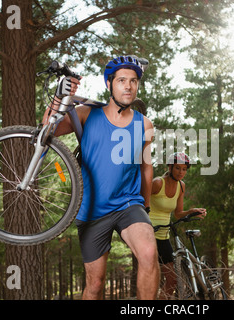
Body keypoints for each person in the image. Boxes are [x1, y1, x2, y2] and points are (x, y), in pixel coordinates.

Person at [43, 55, 159, 300]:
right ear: (109, 84)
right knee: (95, 285)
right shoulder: (86, 113)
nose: (128, 86)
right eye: (121, 80)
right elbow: (47, 129)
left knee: (149, 253)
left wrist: (145, 205)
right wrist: (57, 97)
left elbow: (146, 167)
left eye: (133, 81)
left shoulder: (144, 124)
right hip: (91, 210)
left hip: (128, 203)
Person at [149, 152, 207, 299]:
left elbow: (178, 213)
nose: (181, 172)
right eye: (177, 168)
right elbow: (139, 201)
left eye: (184, 169)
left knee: (172, 279)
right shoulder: (157, 183)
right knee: (150, 278)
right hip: (148, 235)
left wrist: (191, 211)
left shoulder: (181, 186)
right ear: (170, 167)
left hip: (164, 236)